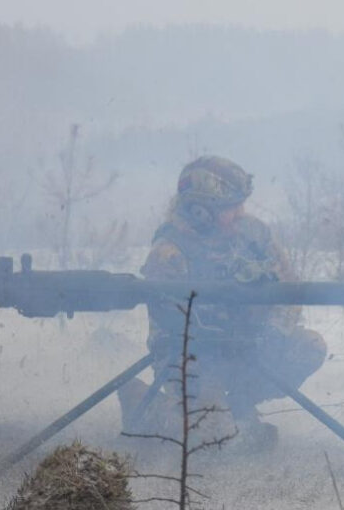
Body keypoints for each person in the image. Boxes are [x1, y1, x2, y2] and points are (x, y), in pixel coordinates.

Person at [118, 156, 326, 449]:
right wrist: (221, 338)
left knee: (309, 347)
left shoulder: (253, 235)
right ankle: (148, 409)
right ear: (201, 211)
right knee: (214, 437)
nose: (240, 213)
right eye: (231, 207)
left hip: (247, 349)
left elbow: (287, 291)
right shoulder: (169, 253)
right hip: (191, 361)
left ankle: (238, 407)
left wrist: (272, 332)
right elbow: (172, 329)